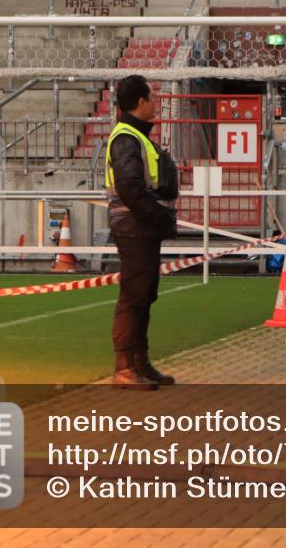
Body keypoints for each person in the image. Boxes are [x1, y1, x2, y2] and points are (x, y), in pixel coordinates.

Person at [106, 75, 180, 390]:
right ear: (140, 102)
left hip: (141, 227)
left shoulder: (134, 136)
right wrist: (157, 216)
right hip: (135, 226)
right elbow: (130, 187)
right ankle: (125, 367)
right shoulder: (126, 138)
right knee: (134, 296)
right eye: (153, 96)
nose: (157, 101)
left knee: (144, 295)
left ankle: (140, 363)